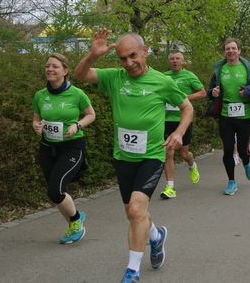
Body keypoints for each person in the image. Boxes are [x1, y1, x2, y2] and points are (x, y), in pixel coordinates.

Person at [73, 29, 193, 283]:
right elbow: (80, 75)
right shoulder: (115, 78)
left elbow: (187, 107)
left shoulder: (162, 81)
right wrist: (93, 55)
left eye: (133, 56)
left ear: (145, 52)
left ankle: (132, 271)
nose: (128, 63)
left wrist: (179, 132)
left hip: (152, 156)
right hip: (124, 156)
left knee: (137, 208)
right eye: (123, 58)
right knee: (133, 213)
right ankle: (156, 236)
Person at [32, 53, 96, 245]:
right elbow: (36, 119)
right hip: (47, 148)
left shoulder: (76, 94)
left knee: (55, 190)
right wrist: (36, 127)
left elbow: (91, 115)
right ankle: (73, 224)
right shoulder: (40, 95)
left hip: (72, 147)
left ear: (65, 71)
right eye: (47, 66)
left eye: (55, 66)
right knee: (55, 192)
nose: (50, 69)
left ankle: (76, 220)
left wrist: (77, 125)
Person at [207, 38, 250, 195]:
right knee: (228, 149)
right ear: (224, 52)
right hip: (225, 115)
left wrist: (249, 91)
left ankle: (246, 162)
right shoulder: (220, 70)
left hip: (244, 115)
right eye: (227, 48)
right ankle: (231, 181)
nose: (231, 51)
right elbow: (210, 91)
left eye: (233, 48)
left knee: (242, 150)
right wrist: (213, 93)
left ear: (239, 51)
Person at [160, 51, 206, 199]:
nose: (175, 61)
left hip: (183, 121)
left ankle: (192, 165)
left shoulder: (189, 76)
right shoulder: (163, 77)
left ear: (183, 61)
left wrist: (184, 98)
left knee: (184, 153)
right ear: (168, 62)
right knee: (168, 151)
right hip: (166, 120)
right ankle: (170, 187)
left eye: (178, 58)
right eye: (172, 59)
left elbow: (202, 93)